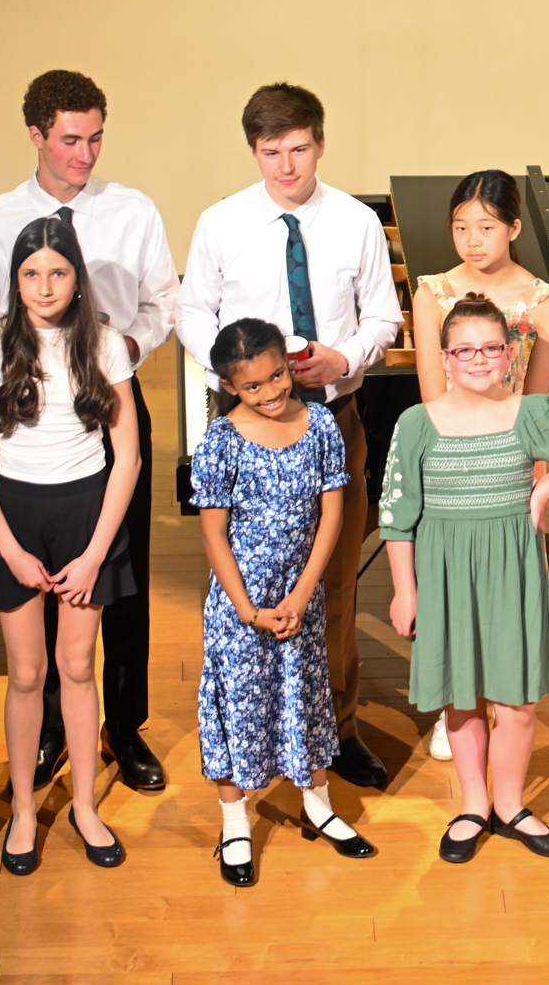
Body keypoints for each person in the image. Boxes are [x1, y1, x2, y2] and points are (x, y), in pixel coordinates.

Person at [0, 70, 180, 794]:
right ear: (36, 135)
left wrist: (118, 351)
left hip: (110, 397)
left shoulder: (134, 210)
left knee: (118, 574)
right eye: (71, 140)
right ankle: (48, 728)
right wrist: (26, 350)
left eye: (96, 137)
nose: (86, 153)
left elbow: (164, 304)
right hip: (28, 411)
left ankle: (124, 727)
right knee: (38, 582)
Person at [179, 82, 404, 790]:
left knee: (334, 582)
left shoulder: (355, 222)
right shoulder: (221, 222)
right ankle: (258, 727)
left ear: (320, 144)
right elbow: (192, 312)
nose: (286, 166)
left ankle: (337, 728)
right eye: (271, 152)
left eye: (299, 149)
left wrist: (347, 358)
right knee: (250, 579)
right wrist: (237, 370)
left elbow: (384, 317)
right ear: (254, 151)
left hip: (331, 417)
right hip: (248, 425)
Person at [381, 297, 549, 863]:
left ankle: (510, 805)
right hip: (445, 577)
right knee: (462, 698)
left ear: (509, 354)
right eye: (464, 350)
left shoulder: (530, 412)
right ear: (445, 358)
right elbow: (396, 515)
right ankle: (473, 805)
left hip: (512, 572)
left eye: (490, 348)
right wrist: (405, 590)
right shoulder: (416, 423)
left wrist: (544, 489)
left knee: (516, 701)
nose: (479, 359)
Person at [0, 216, 139, 873]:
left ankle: (85, 806)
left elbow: (127, 457)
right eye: (31, 274)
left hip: (86, 512)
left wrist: (94, 553)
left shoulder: (105, 343)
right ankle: (25, 811)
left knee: (78, 665)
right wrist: (8, 549)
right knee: (27, 672)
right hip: (15, 513)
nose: (44, 286)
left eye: (57, 272)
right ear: (15, 281)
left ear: (77, 277)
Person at [192, 319, 375, 884]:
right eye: (253, 386)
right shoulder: (221, 440)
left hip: (301, 596)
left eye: (277, 376)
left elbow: (331, 515)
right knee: (238, 702)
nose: (270, 392)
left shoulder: (319, 424)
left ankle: (318, 804)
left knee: (308, 693)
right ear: (229, 387)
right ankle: (234, 820)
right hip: (241, 604)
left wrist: (302, 592)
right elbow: (213, 534)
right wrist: (248, 610)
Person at [410, 169, 549, 761]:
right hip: (451, 460)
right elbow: (432, 396)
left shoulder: (543, 301)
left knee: (511, 592)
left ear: (514, 229)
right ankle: (455, 704)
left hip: (513, 466)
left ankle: (509, 700)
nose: (472, 240)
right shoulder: (433, 293)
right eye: (460, 227)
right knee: (451, 588)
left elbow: (538, 404)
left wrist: (537, 482)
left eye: (486, 227)